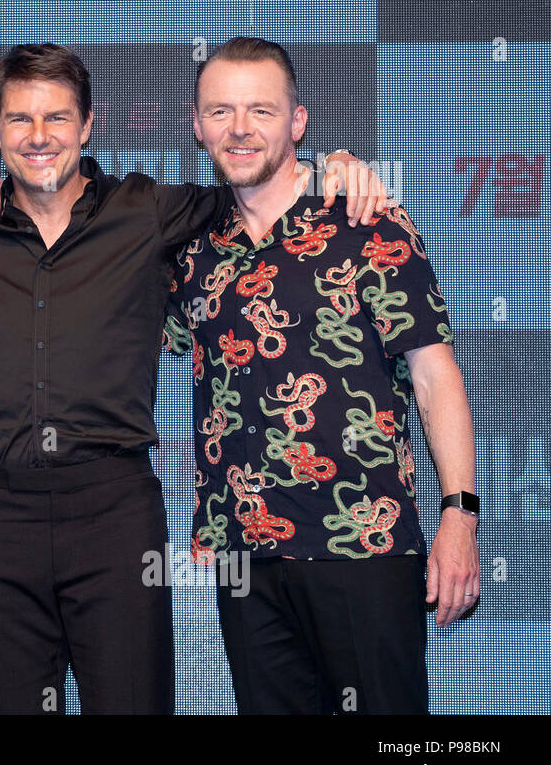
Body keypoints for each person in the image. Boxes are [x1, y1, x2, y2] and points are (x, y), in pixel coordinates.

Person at [0, 42, 391, 714]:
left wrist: (332, 164)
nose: (39, 138)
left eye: (57, 118)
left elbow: (257, 180)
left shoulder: (147, 211)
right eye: (19, 120)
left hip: (113, 512)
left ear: (88, 125)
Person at [163, 36, 479, 714]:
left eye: (261, 110)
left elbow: (434, 376)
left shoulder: (365, 218)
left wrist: (460, 517)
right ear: (196, 125)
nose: (240, 128)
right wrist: (2, 195)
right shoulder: (193, 247)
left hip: (363, 546)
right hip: (245, 555)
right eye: (220, 111)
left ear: (298, 122)